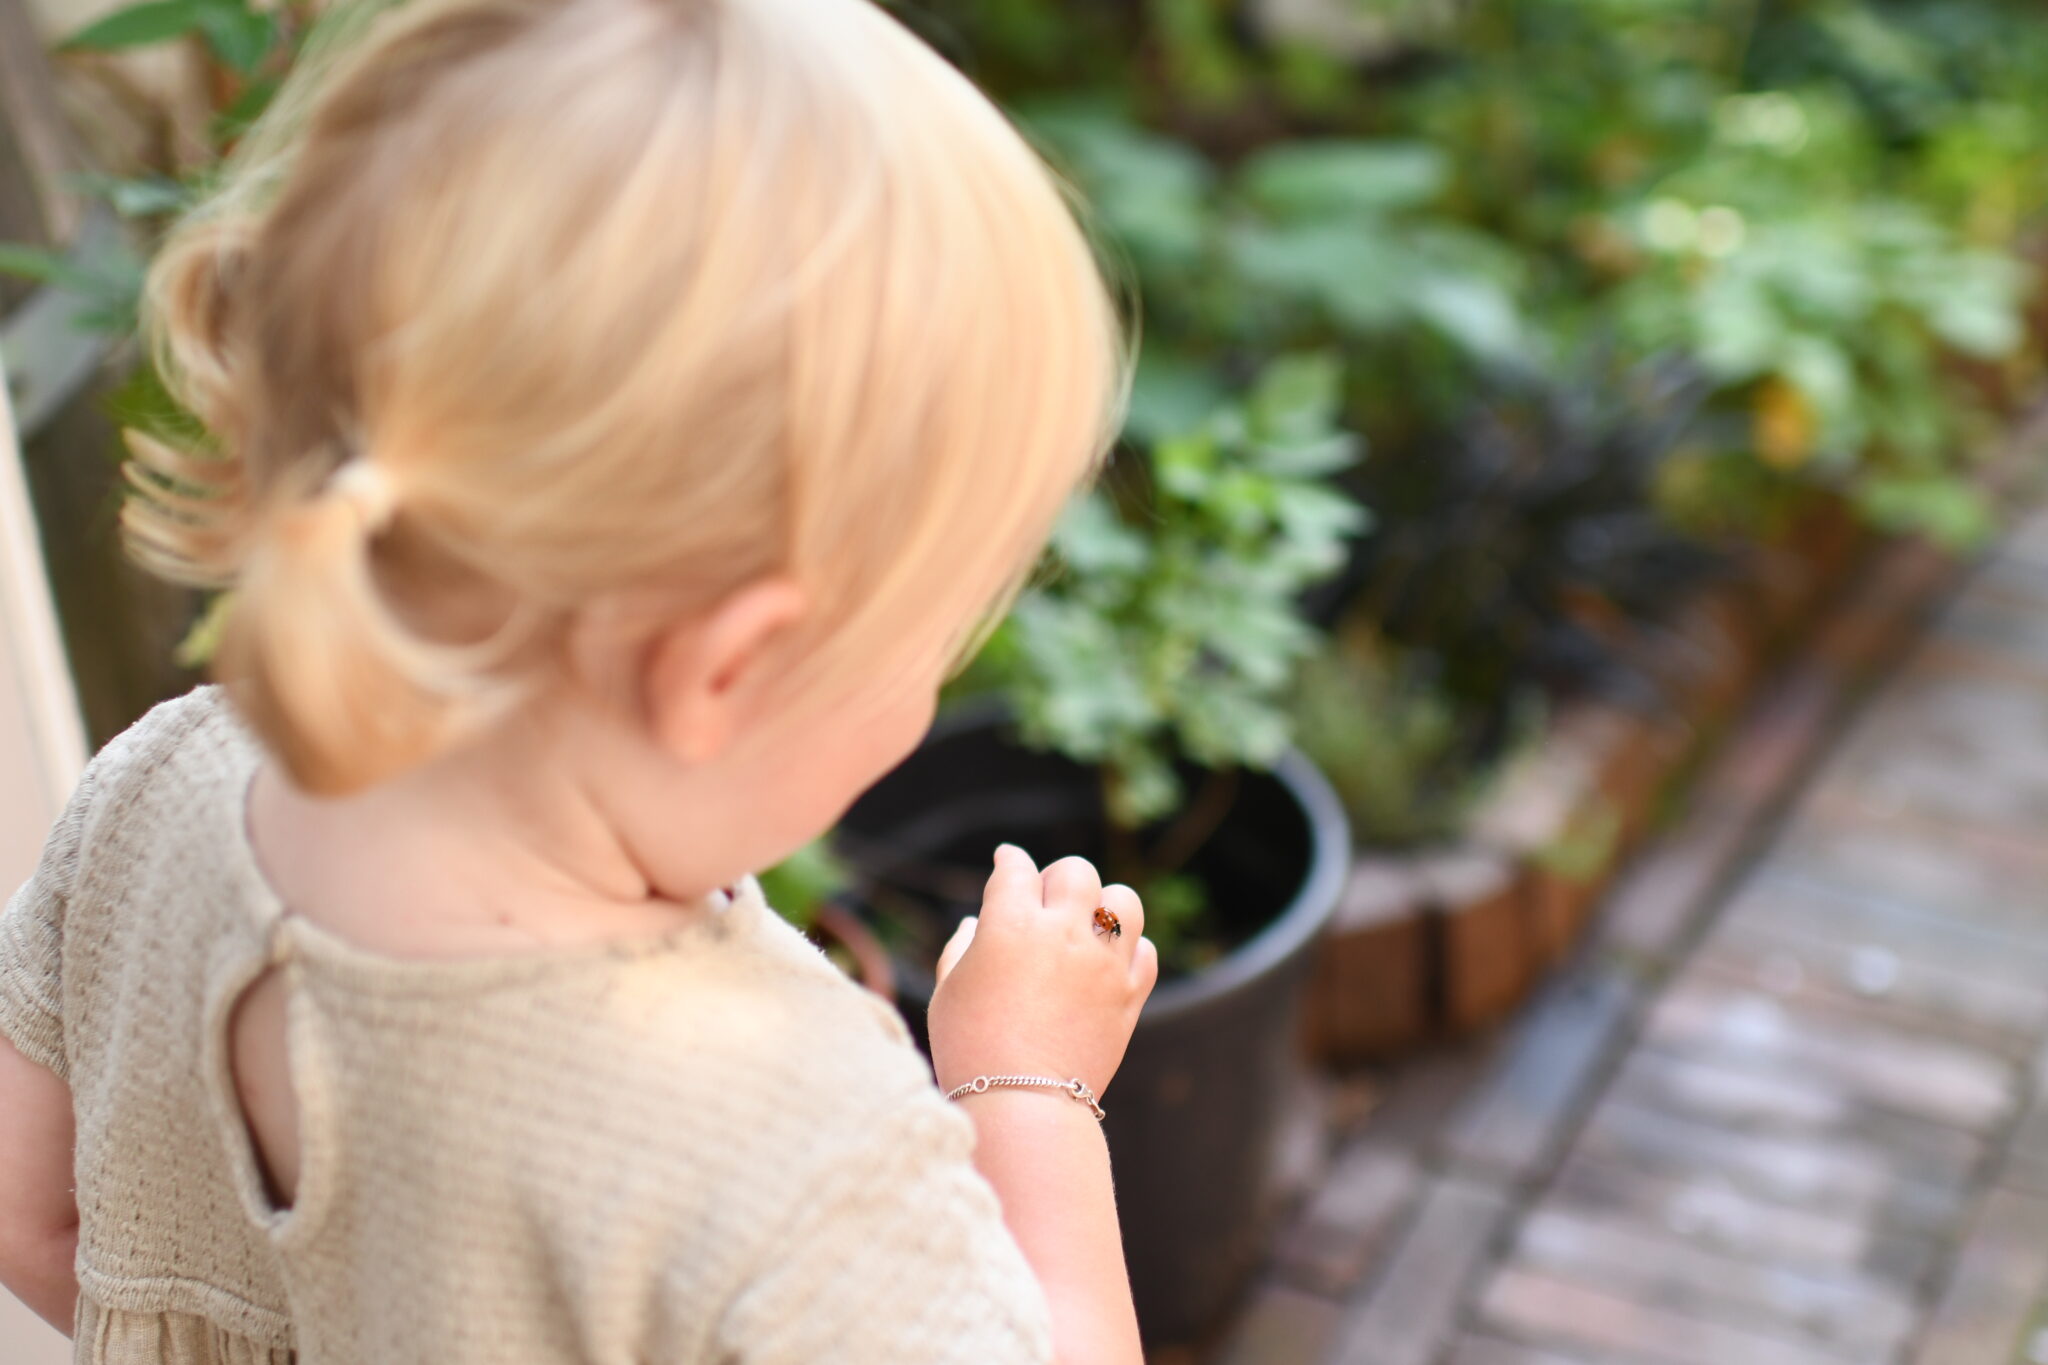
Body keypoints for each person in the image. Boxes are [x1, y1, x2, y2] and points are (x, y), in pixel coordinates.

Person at [0, 0, 1156, 1358]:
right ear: (723, 670)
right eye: (937, 643)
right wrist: (1029, 1086)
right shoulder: (792, 1151)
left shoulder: (157, 785)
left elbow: (35, 1221)